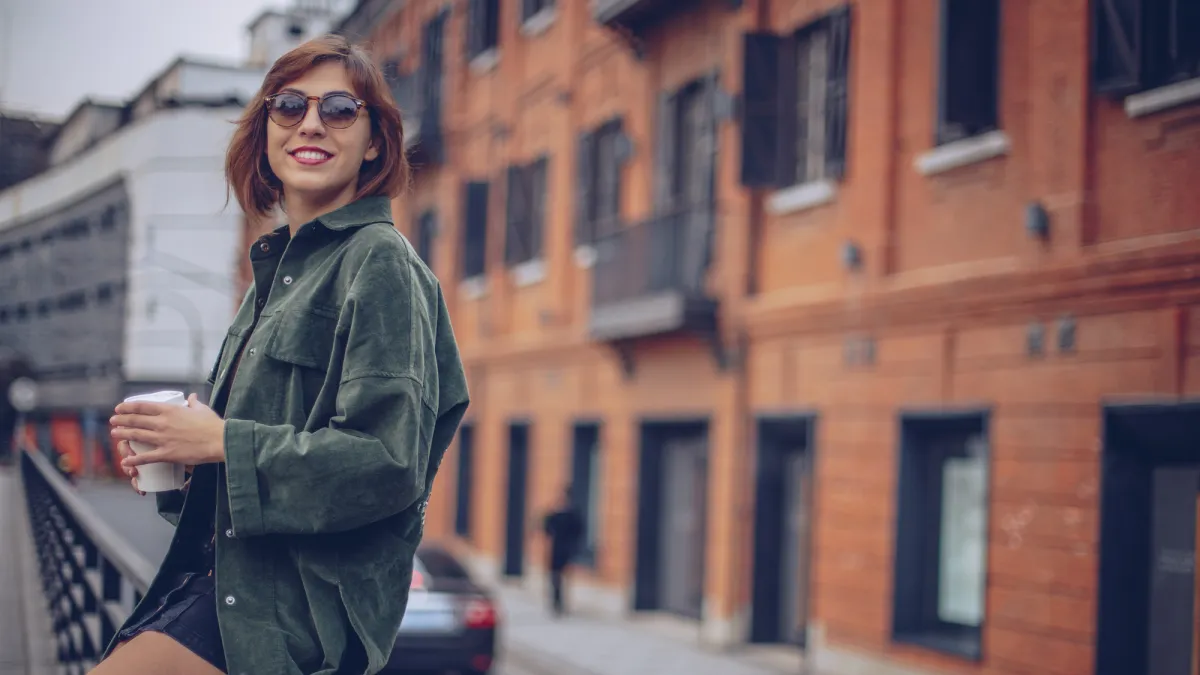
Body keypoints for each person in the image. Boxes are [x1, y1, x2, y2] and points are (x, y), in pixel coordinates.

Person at [91, 34, 468, 675]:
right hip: (226, 586)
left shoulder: (380, 262)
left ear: (374, 141)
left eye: (339, 109)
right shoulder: (276, 274)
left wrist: (220, 442)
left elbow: (386, 464)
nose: (310, 124)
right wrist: (187, 461)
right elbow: (260, 465)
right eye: (289, 106)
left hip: (290, 615)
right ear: (266, 129)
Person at [542, 488, 585, 617]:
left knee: (565, 577)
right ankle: (556, 602)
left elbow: (578, 531)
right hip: (557, 549)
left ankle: (562, 602)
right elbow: (547, 527)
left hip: (566, 550)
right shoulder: (557, 514)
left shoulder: (572, 515)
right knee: (555, 577)